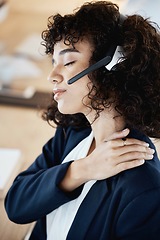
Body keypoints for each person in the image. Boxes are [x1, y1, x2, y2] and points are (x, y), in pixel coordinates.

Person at [5, 1, 160, 239]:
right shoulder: (71, 133)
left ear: (114, 67)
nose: (52, 76)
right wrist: (82, 170)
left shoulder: (144, 187)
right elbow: (16, 205)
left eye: (68, 62)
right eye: (54, 62)